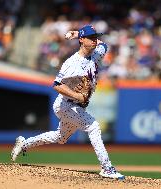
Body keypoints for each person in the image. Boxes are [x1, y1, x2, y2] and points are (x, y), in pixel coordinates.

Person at [11, 25, 125, 180]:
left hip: (76, 106)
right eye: (90, 38)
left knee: (61, 137)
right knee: (93, 126)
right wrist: (77, 96)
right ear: (82, 41)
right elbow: (57, 85)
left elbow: (104, 45)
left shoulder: (97, 53)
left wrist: (79, 33)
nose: (95, 41)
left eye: (95, 37)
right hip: (65, 105)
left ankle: (24, 144)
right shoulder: (72, 63)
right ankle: (107, 168)